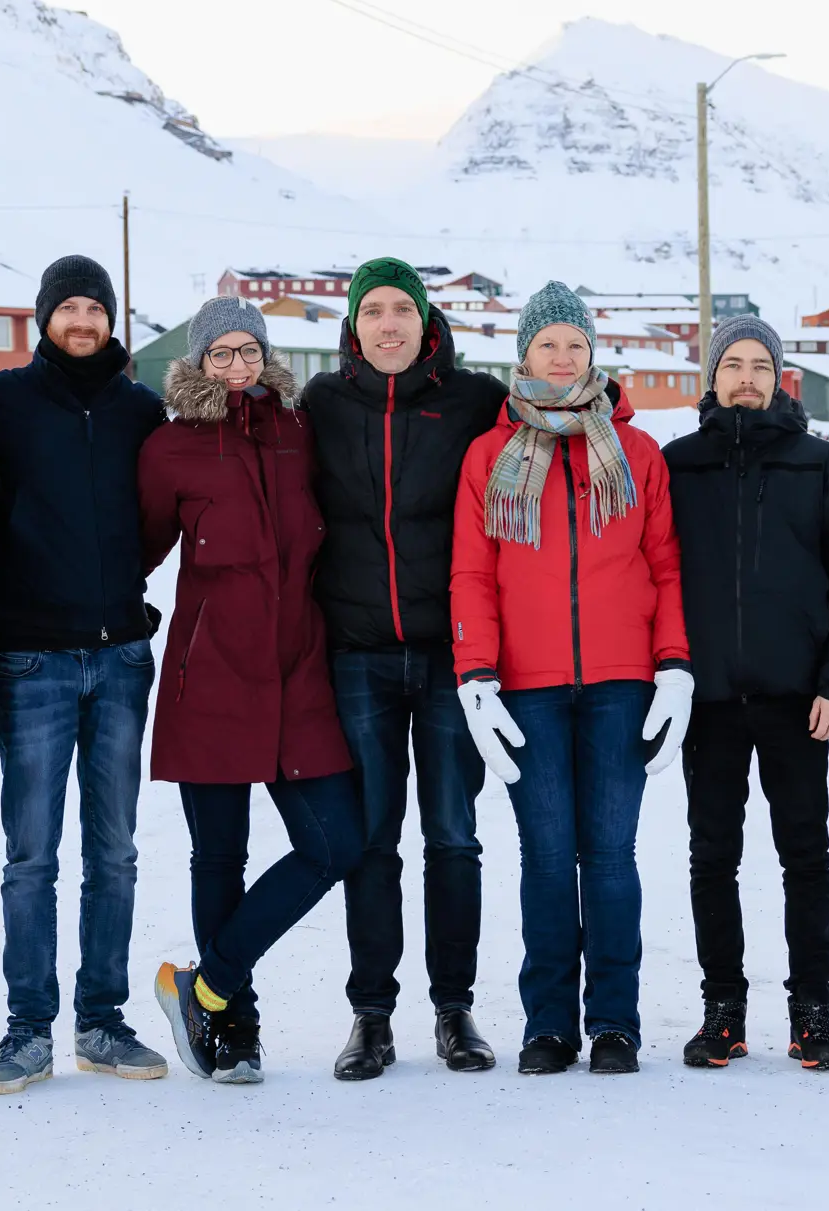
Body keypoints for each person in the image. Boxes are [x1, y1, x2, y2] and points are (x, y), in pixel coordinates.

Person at [451, 281, 690, 1076]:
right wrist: (475, 673)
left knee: (612, 856)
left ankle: (614, 1022)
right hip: (527, 686)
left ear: (594, 354)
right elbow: (473, 573)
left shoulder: (636, 452)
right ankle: (549, 1023)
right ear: (524, 354)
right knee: (548, 856)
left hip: (623, 682)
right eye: (548, 343)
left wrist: (674, 666)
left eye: (575, 344)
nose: (562, 356)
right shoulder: (489, 456)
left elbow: (664, 567)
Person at [141, 298, 366, 1085]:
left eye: (248, 352)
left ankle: (205, 986)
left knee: (337, 841)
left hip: (300, 668)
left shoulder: (299, 433)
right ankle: (234, 1030)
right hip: (213, 676)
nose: (237, 367)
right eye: (220, 355)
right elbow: (131, 548)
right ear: (198, 363)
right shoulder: (172, 447)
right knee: (220, 857)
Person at [0, 256, 170, 1094]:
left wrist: (121, 582)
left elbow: (158, 517)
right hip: (32, 658)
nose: (83, 320)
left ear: (112, 319)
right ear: (42, 317)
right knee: (30, 854)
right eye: (69, 307)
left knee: (115, 851)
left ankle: (102, 1020)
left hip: (120, 654)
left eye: (95, 307)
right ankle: (26, 1028)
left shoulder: (140, 410)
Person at [302, 257, 509, 1080]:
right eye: (373, 310)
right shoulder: (321, 405)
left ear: (428, 322)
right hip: (358, 655)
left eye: (403, 310)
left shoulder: (474, 401)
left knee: (453, 836)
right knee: (372, 839)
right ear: (353, 325)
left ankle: (454, 1008)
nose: (389, 323)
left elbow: (552, 425)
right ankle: (372, 1015)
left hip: (453, 659)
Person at [664, 315, 829, 1073]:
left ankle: (810, 1011)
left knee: (805, 856)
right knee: (711, 856)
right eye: (733, 364)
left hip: (798, 700)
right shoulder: (677, 466)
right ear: (713, 377)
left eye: (761, 364)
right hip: (710, 701)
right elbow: (652, 580)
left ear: (780, 376)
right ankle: (722, 1008)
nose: (747, 376)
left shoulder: (817, 467)